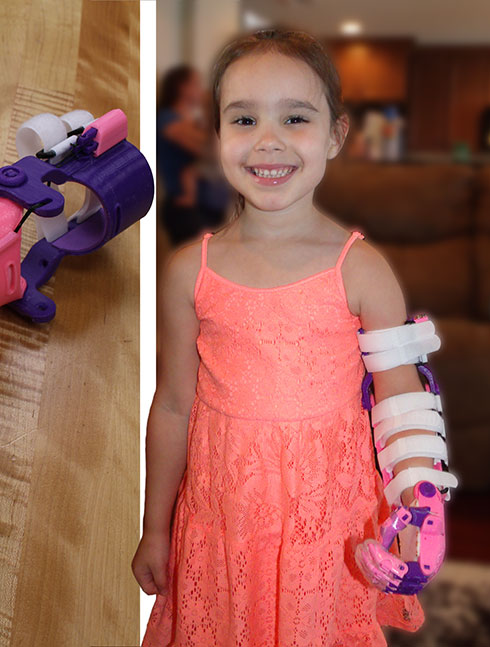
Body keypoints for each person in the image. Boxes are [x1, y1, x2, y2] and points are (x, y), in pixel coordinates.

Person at [134, 28, 446, 645]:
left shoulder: (360, 269)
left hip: (326, 520)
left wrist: (418, 503)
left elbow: (400, 400)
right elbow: (172, 405)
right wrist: (155, 526)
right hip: (223, 516)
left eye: (295, 118)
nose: (268, 141)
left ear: (335, 135)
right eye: (244, 118)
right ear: (216, 136)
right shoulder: (187, 273)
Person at [158, 65, 227, 244]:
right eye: (196, 84)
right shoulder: (167, 120)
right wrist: (210, 109)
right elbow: (210, 151)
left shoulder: (192, 122)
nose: (201, 89)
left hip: (206, 203)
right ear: (182, 87)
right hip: (184, 207)